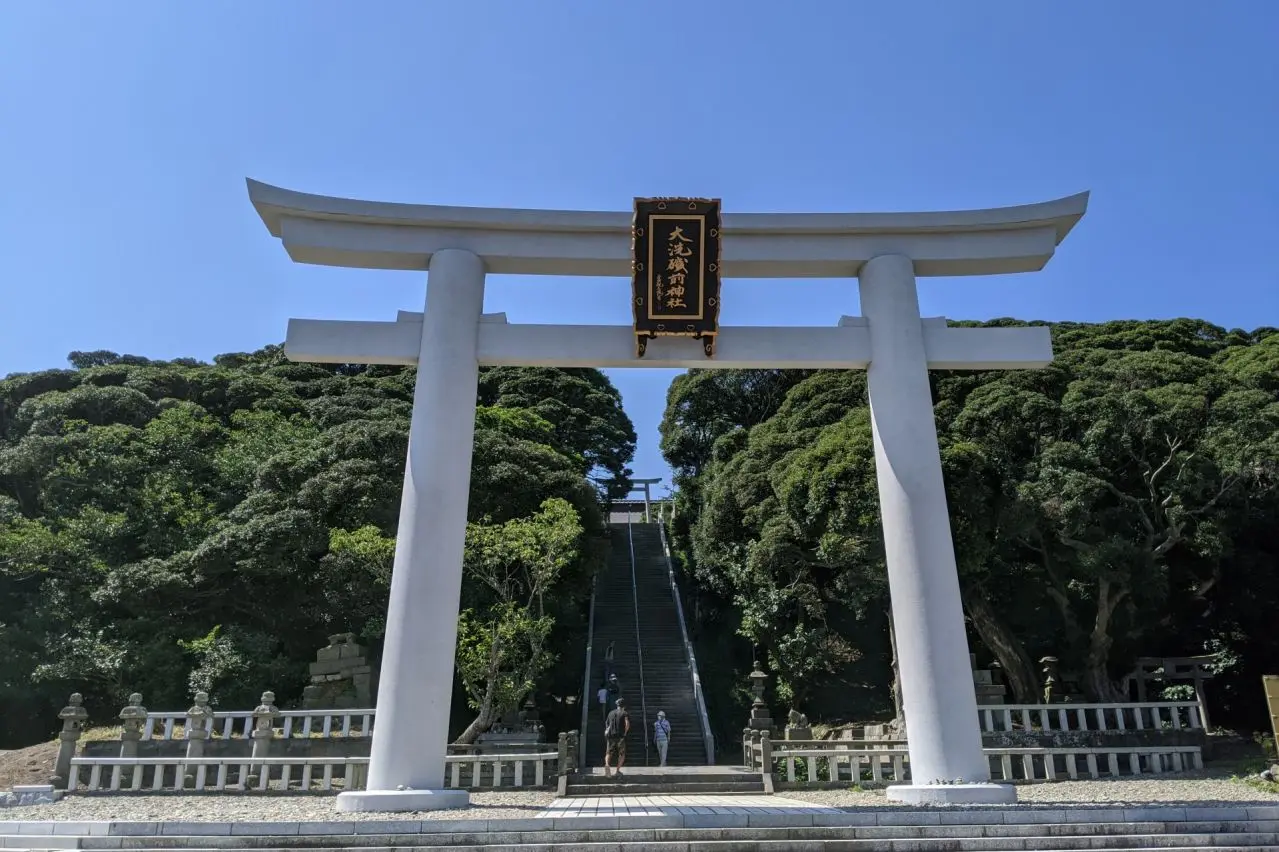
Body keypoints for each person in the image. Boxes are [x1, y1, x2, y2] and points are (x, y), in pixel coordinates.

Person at [603, 697, 630, 778]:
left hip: (610, 736)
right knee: (622, 754)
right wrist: (625, 733)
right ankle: (617, 770)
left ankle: (607, 765)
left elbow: (607, 724)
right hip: (620, 736)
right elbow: (627, 724)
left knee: (608, 752)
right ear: (624, 706)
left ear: (617, 705)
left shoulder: (611, 713)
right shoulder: (624, 713)